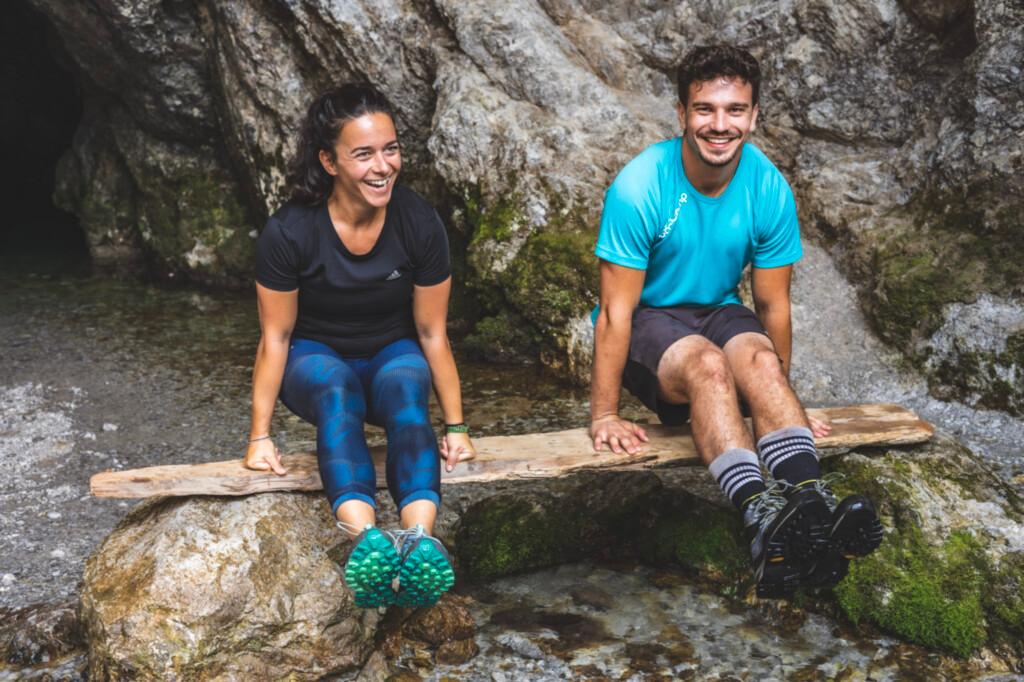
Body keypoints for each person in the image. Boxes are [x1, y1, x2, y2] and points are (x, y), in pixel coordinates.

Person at [589, 45, 882, 597]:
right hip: (650, 321)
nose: (719, 125)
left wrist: (779, 404)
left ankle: (812, 510)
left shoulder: (768, 185)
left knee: (757, 360)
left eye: (734, 110)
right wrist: (604, 413)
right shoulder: (639, 186)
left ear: (752, 116)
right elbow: (615, 312)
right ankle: (760, 518)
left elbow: (772, 308)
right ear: (682, 114)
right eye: (704, 109)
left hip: (718, 309)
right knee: (708, 365)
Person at [244, 83, 475, 608]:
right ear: (328, 160)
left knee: (407, 390)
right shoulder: (289, 231)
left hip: (390, 351)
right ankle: (366, 538)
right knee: (337, 390)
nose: (383, 166)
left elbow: (432, 332)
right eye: (364, 153)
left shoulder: (418, 222)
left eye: (390, 149)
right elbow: (275, 337)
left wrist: (458, 426)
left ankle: (418, 540)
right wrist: (259, 436)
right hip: (314, 357)